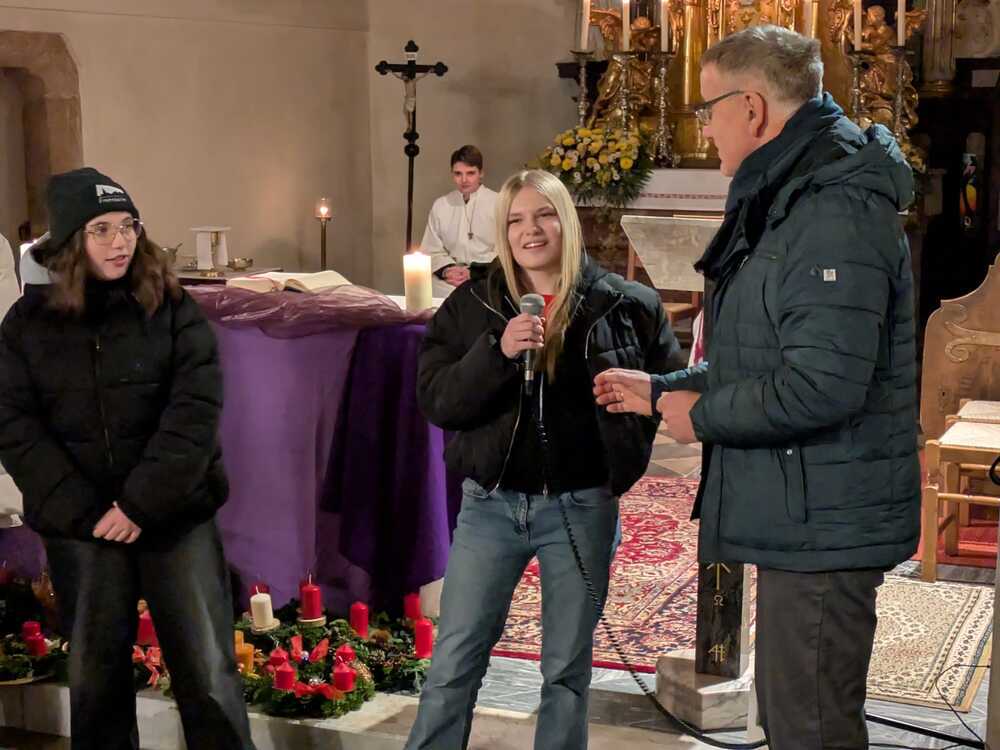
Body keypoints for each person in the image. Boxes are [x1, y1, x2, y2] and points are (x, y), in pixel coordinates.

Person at [594, 26, 919, 750]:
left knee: (810, 728)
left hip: (824, 525)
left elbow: (823, 385)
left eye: (707, 110)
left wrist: (703, 413)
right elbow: (765, 355)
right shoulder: (795, 191)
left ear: (752, 107)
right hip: (805, 515)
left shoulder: (831, 207)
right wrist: (664, 388)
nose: (704, 129)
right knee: (792, 719)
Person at [406, 169, 682, 750]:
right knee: (454, 659)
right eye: (515, 220)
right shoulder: (472, 304)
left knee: (565, 670)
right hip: (491, 507)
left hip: (581, 507)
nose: (530, 230)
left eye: (544, 215)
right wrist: (498, 351)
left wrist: (621, 459)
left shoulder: (626, 303)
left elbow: (665, 392)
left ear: (567, 221)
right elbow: (437, 400)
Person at [0, 168, 256, 750]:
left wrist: (139, 504)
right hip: (86, 529)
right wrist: (87, 511)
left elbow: (195, 410)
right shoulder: (26, 325)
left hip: (174, 517)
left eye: (128, 226)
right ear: (70, 240)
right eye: (101, 229)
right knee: (97, 683)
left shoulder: (171, 305)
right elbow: (15, 426)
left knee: (208, 674)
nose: (120, 242)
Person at [420, 144, 499, 297]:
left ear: (481, 173)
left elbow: (503, 251)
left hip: (485, 276)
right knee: (427, 288)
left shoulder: (498, 203)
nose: (464, 180)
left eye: (470, 173)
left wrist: (473, 272)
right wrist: (448, 270)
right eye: (458, 173)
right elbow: (430, 249)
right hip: (449, 281)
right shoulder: (441, 205)